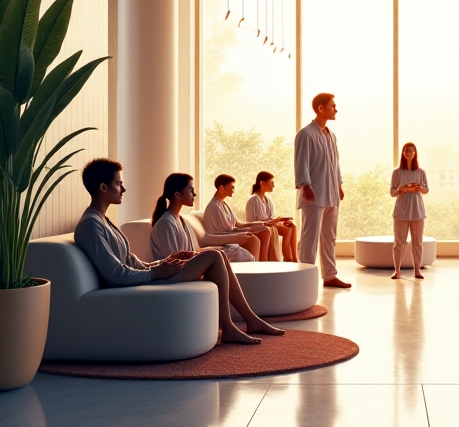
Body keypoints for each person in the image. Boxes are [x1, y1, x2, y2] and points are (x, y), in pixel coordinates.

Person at [74, 159, 284, 343]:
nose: (123, 189)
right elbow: (115, 274)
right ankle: (234, 326)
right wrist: (156, 272)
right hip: (131, 286)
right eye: (119, 183)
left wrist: (159, 264)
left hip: (145, 277)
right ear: (103, 187)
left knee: (216, 255)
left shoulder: (103, 221)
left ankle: (245, 321)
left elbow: (129, 260)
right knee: (213, 255)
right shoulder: (91, 225)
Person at [294, 92, 350, 288]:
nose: (336, 109)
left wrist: (339, 184)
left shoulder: (331, 136)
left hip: (332, 193)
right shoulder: (306, 134)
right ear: (320, 108)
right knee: (310, 238)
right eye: (333, 105)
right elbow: (302, 162)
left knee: (329, 236)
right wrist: (305, 185)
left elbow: (335, 164)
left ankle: (330, 275)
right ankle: (305, 279)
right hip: (314, 195)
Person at [204, 174, 278, 261]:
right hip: (220, 239)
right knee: (255, 239)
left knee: (265, 229)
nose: (233, 190)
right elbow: (228, 230)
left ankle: (265, 263)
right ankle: (257, 266)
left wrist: (263, 223)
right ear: (221, 188)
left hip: (229, 234)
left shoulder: (223, 203)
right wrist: (248, 231)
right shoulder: (215, 206)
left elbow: (238, 224)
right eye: (232, 187)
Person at [390, 142, 429, 280]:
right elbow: (392, 192)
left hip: (417, 211)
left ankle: (417, 270)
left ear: (415, 153)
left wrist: (419, 188)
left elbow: (426, 190)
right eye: (407, 151)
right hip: (401, 211)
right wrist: (402, 189)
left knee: (417, 242)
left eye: (412, 151)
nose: (409, 153)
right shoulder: (397, 172)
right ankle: (397, 271)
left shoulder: (420, 172)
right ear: (403, 153)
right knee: (399, 242)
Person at [246, 171, 298, 262]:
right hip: (260, 227)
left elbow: (270, 218)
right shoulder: (254, 200)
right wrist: (278, 221)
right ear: (262, 183)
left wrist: (281, 221)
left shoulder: (268, 200)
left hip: (269, 224)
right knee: (287, 230)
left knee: (292, 225)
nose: (273, 185)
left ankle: (294, 257)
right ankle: (288, 259)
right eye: (272, 182)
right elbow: (253, 221)